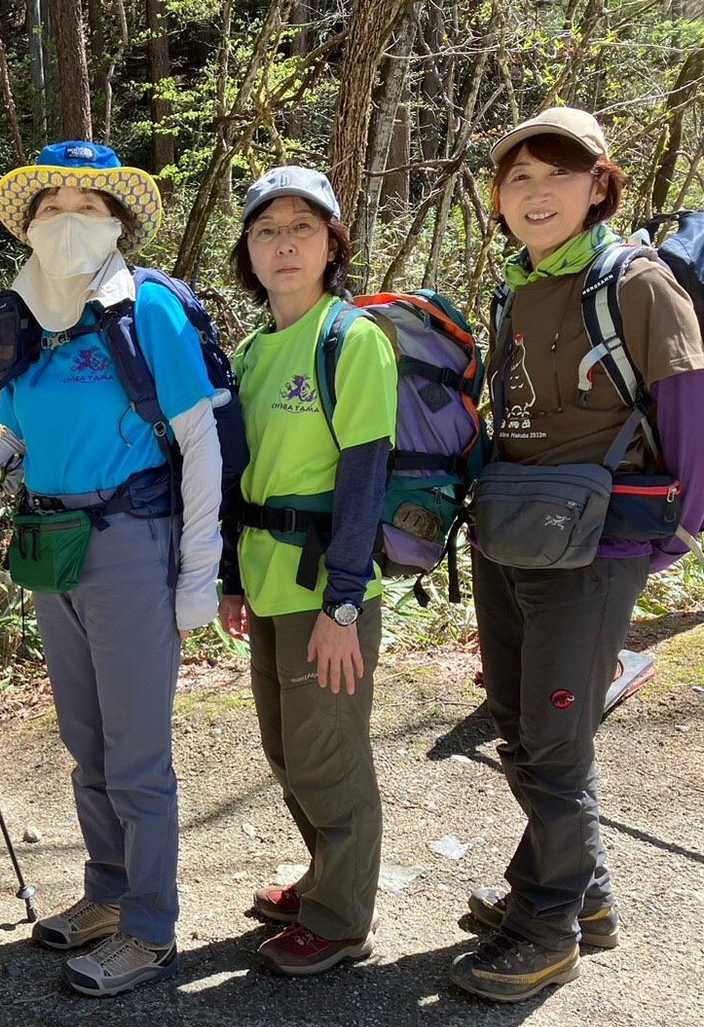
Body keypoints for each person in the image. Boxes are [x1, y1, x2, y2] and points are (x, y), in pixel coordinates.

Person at [0, 141, 230, 997]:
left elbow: (198, 441)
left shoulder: (146, 308)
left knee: (137, 753)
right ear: (30, 226)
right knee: (87, 744)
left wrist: (200, 571)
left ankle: (150, 931)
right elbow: (15, 438)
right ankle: (107, 896)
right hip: (53, 544)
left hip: (131, 543)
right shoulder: (29, 317)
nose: (68, 221)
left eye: (89, 206)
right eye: (52, 207)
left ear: (118, 223)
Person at [453, 106, 704, 1003]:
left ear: (599, 185)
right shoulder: (515, 286)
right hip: (511, 527)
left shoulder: (636, 282)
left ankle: (547, 925)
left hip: (599, 544)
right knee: (519, 725)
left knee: (555, 741)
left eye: (557, 173)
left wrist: (674, 535)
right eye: (517, 177)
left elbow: (690, 409)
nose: (536, 193)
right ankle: (583, 895)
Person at [217, 166, 397, 976]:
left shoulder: (351, 339)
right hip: (268, 584)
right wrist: (232, 579)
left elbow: (364, 480)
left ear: (333, 244)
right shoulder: (252, 352)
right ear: (248, 252)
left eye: (303, 228)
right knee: (288, 752)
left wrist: (344, 606)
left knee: (329, 758)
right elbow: (239, 477)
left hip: (328, 591)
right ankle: (325, 880)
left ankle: (341, 920)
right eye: (267, 230)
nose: (284, 244)